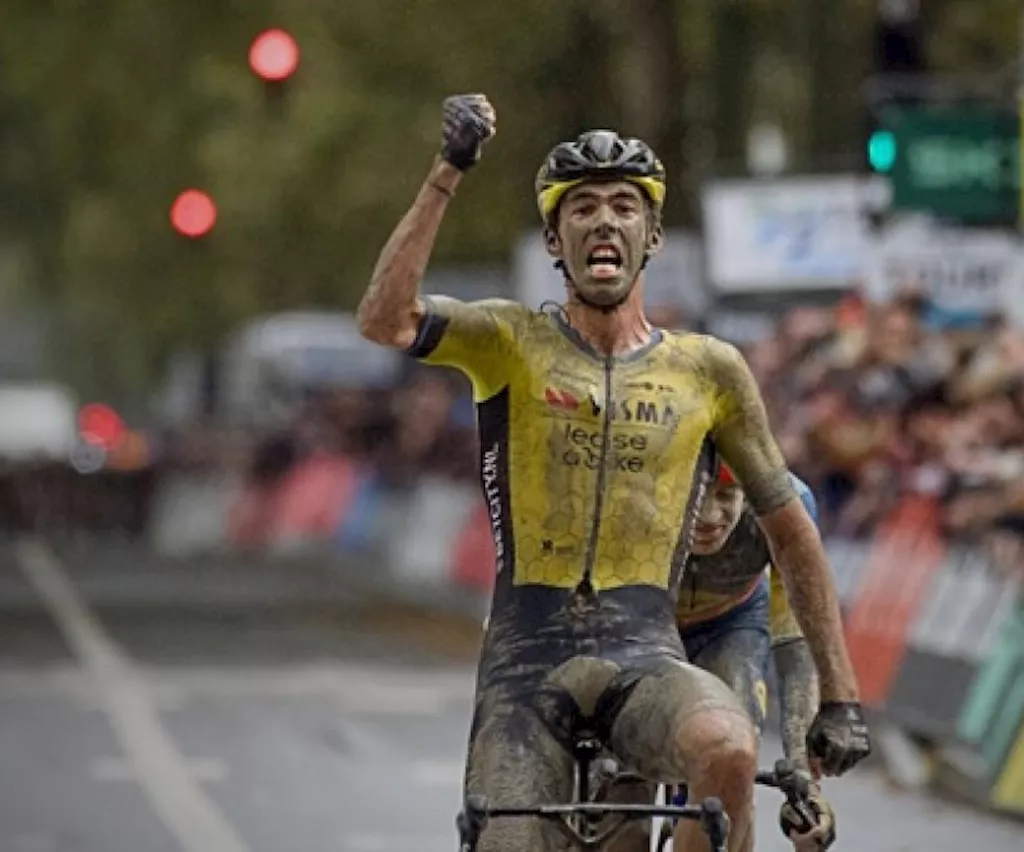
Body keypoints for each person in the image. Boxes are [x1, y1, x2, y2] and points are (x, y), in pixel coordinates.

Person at [356, 93, 870, 852]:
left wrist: (841, 699)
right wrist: (448, 169)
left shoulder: (710, 369)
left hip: (645, 655)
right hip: (528, 662)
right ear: (554, 240)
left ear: (652, 236)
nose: (605, 221)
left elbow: (792, 534)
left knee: (728, 748)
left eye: (626, 207)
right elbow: (384, 318)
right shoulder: (507, 339)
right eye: (584, 207)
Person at [669, 446, 837, 851]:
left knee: (736, 750)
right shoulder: (632, 486)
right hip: (643, 616)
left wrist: (803, 781)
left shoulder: (785, 504)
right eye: (697, 494)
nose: (710, 516)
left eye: (726, 496)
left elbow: (796, 643)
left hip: (731, 623)